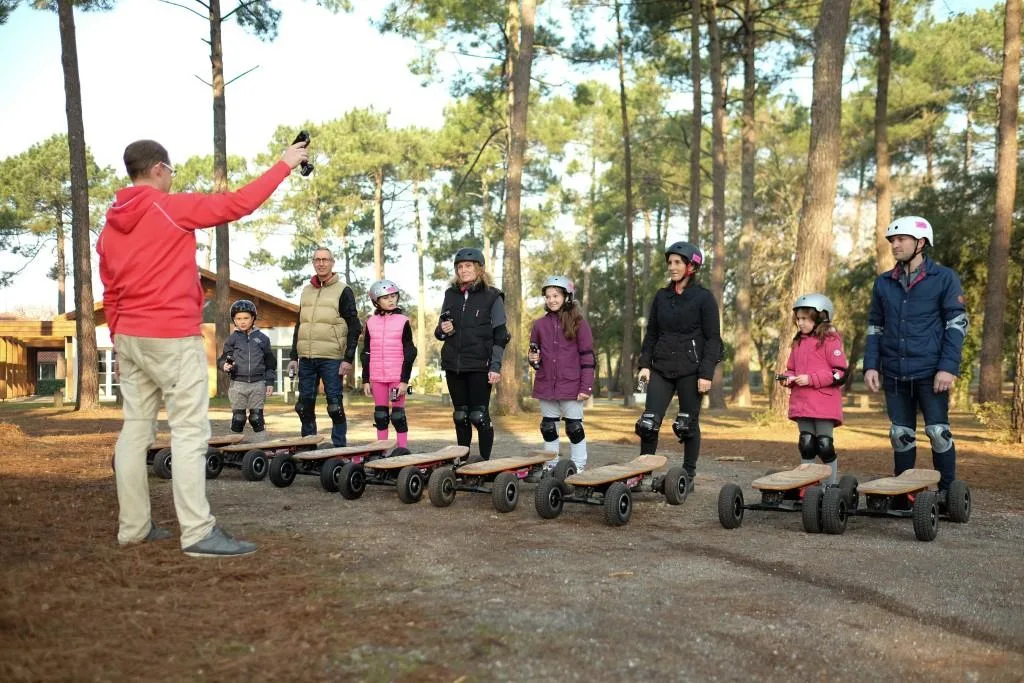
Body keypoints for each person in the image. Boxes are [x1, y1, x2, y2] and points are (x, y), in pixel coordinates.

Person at [98, 137, 308, 557]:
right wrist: (284, 164)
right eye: (171, 171)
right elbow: (237, 204)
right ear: (158, 168)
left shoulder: (109, 228)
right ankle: (197, 533)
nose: (172, 178)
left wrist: (119, 343)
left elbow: (111, 292)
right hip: (172, 337)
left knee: (136, 430)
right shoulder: (168, 206)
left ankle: (134, 527)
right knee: (190, 433)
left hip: (131, 339)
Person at [863, 216, 968, 503]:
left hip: (931, 371)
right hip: (895, 371)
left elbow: (957, 324)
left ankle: (947, 493)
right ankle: (902, 492)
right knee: (900, 434)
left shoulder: (944, 278)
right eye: (892, 241)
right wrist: (871, 364)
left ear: (920, 243)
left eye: (901, 239)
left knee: (938, 432)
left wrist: (948, 367)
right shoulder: (884, 283)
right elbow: (875, 326)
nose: (894, 245)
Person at [635, 241, 722, 491]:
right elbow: (651, 334)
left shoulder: (704, 298)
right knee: (648, 422)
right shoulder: (662, 297)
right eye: (670, 262)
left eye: (677, 263)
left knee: (687, 424)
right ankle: (644, 471)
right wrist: (644, 364)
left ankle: (689, 476)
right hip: (661, 367)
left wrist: (706, 373)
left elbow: (713, 339)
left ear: (691, 266)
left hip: (691, 370)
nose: (672, 267)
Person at [434, 247, 510, 460]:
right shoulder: (450, 294)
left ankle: (485, 461)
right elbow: (440, 330)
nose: (463, 270)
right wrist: (442, 329)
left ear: (479, 268)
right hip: (453, 364)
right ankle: (463, 459)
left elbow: (501, 334)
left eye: (468, 266)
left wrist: (495, 366)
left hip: (479, 364)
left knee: (479, 415)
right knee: (461, 416)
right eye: (460, 267)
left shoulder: (492, 296)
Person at [287, 248, 362, 448]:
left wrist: (348, 358)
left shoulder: (343, 290)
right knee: (304, 406)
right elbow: (299, 324)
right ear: (313, 263)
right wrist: (293, 356)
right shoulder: (306, 291)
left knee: (335, 406)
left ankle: (338, 448)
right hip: (306, 358)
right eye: (317, 260)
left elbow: (355, 326)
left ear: (332, 263)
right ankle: (308, 445)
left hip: (332, 358)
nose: (321, 263)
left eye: (325, 260)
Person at [528, 275, 595, 471]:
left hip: (572, 385)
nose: (552, 300)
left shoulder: (579, 323)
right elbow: (534, 355)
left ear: (567, 296)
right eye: (548, 296)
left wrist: (586, 387)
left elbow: (588, 357)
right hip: (546, 384)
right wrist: (533, 360)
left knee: (574, 428)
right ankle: (550, 467)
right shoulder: (539, 325)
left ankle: (578, 467)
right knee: (548, 428)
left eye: (556, 295)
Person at [780, 293, 848, 485]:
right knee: (807, 444)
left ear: (820, 317)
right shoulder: (798, 342)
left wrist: (811, 379)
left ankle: (831, 487)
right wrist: (787, 377)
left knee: (824, 445)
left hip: (824, 403)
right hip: (803, 403)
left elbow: (840, 372)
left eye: (805, 319)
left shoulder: (831, 340)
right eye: (798, 319)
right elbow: (792, 368)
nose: (800, 323)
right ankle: (808, 485)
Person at [361, 279, 417, 451]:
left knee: (398, 416)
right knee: (380, 415)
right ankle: (382, 450)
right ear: (376, 301)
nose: (391, 300)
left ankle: (402, 450)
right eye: (386, 298)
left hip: (396, 377)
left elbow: (410, 352)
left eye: (393, 296)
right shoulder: (370, 322)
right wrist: (365, 379)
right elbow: (367, 351)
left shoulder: (403, 321)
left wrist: (404, 380)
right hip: (377, 377)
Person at [217, 299, 276, 441]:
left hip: (258, 384)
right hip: (238, 384)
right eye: (238, 318)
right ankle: (234, 449)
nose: (242, 321)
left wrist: (269, 382)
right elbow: (223, 358)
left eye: (246, 318)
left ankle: (262, 448)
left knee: (256, 418)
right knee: (238, 418)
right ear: (234, 320)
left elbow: (270, 363)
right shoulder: (232, 339)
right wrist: (224, 365)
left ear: (253, 318)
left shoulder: (263, 339)